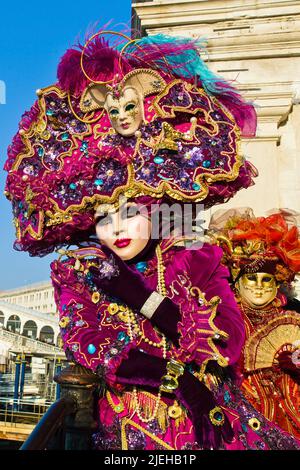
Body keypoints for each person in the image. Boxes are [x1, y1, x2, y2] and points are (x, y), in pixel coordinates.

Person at [4, 29, 299, 450]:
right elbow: (92, 345)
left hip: (213, 425)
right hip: (130, 430)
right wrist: (175, 378)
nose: (117, 230)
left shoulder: (196, 257)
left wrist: (142, 299)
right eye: (104, 219)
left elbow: (226, 342)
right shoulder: (81, 270)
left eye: (129, 214)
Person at [208, 208, 300, 439]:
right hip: (243, 402)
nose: (259, 286)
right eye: (252, 278)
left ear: (277, 283)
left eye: (266, 279)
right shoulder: (223, 317)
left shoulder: (293, 313)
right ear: (237, 282)